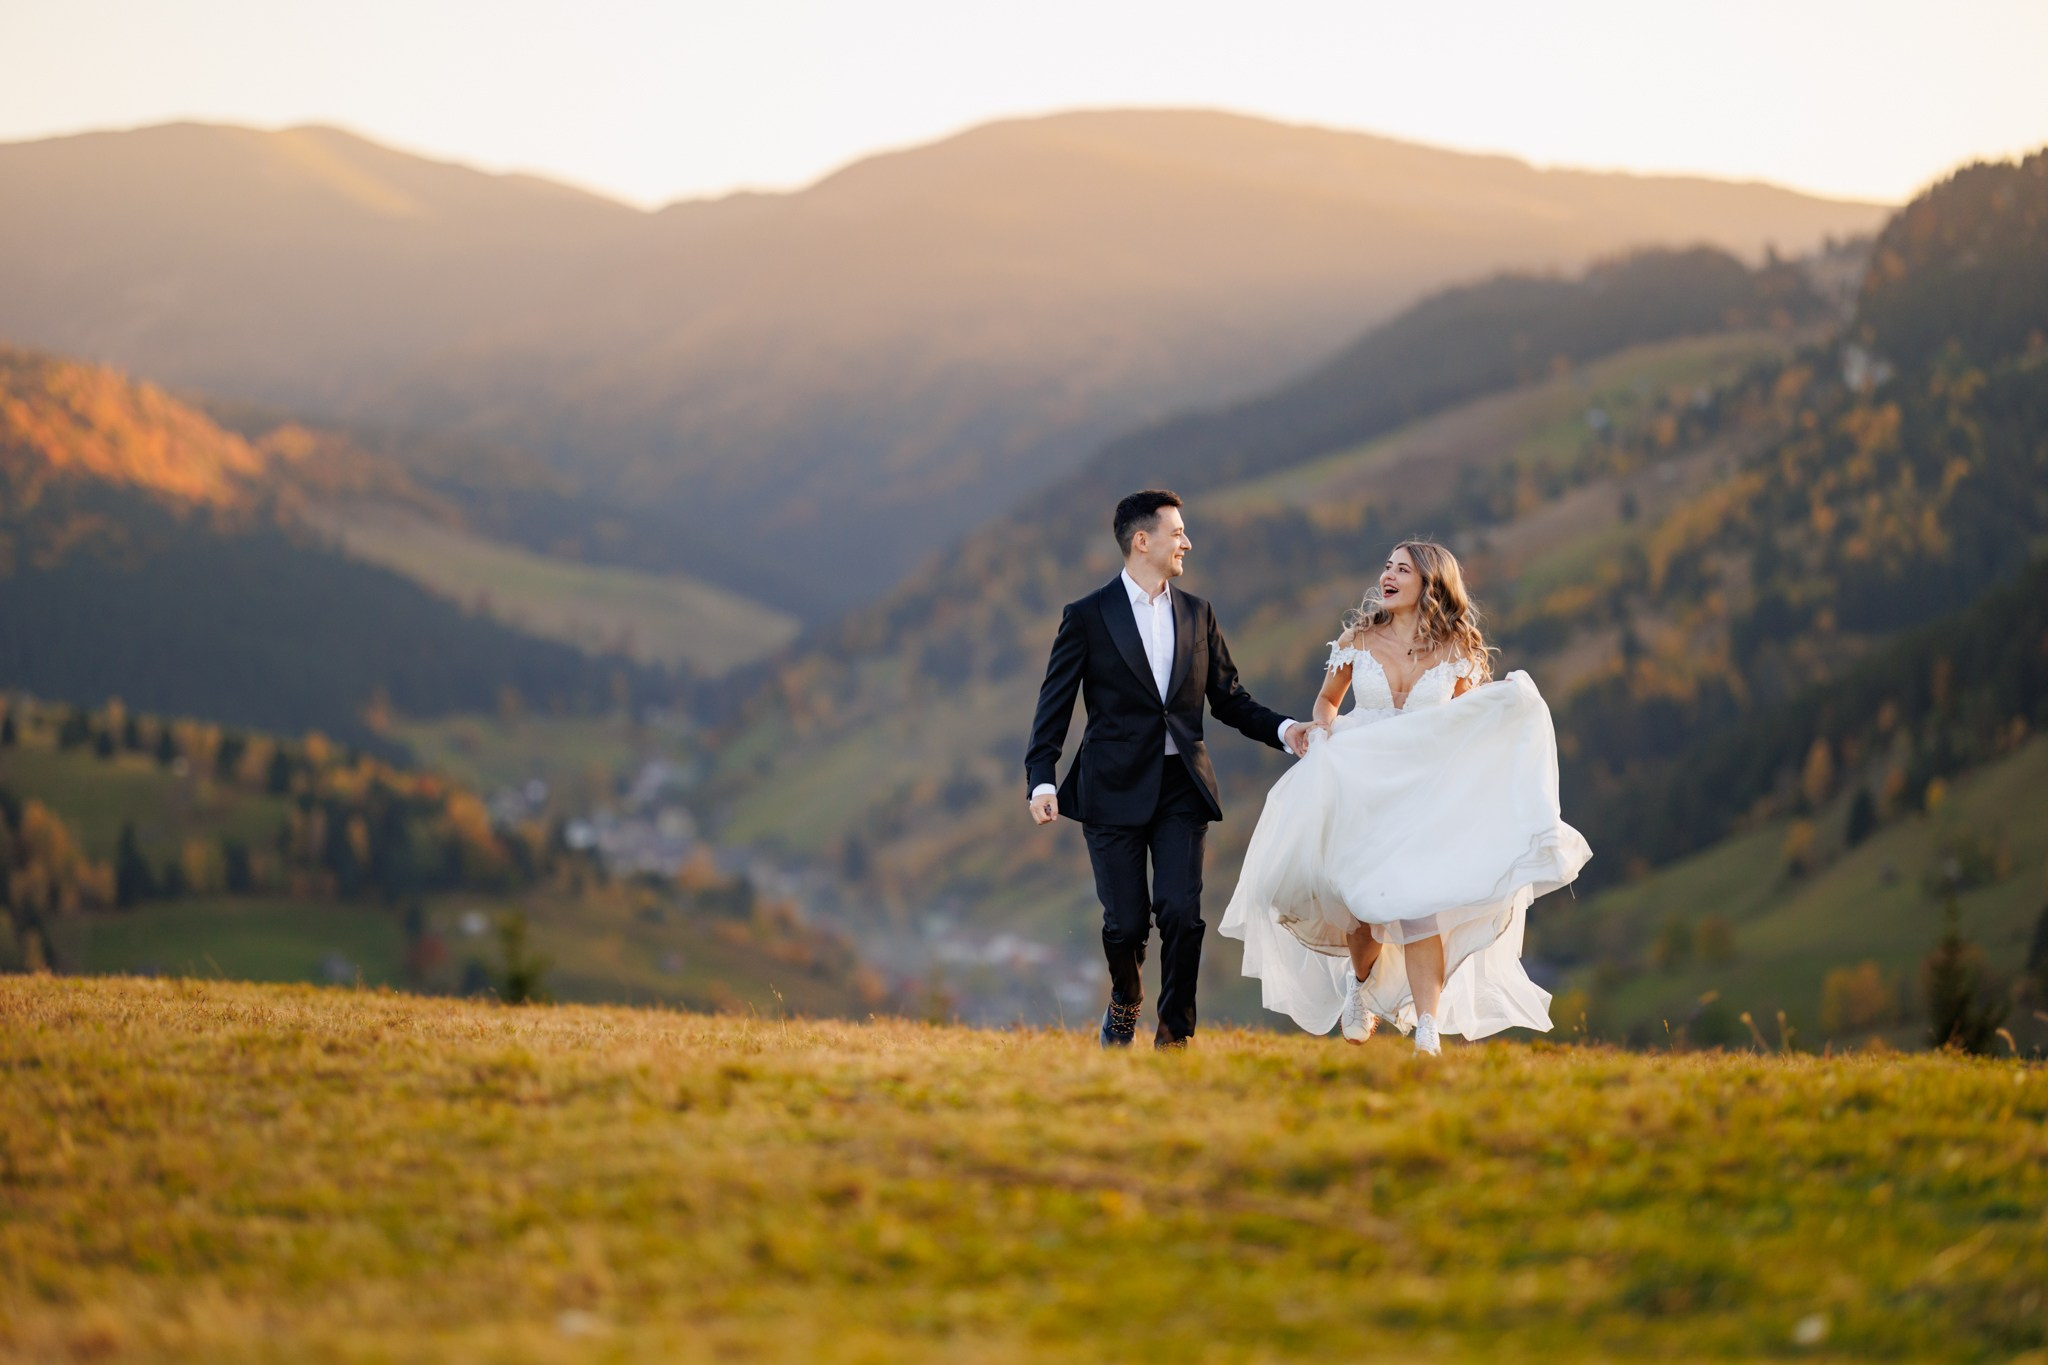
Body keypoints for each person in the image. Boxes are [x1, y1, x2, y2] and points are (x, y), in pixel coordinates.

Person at [1218, 540, 1591, 1053]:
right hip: (1361, 786)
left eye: (1402, 570)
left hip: (1421, 794)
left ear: (1429, 584)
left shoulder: (1458, 649)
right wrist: (1320, 734)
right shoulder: (1359, 638)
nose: (1388, 576)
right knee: (1359, 907)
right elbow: (1328, 701)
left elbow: (1470, 721)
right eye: (1387, 567)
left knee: (1418, 910)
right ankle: (1361, 983)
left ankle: (1428, 1031)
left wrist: (1510, 710)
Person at [1025, 490, 1312, 1049]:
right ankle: (1126, 1001)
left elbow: (1228, 698)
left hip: (1182, 785)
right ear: (1142, 541)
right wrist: (1041, 777)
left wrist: (1285, 731)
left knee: (1181, 914)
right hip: (1110, 789)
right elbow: (1053, 706)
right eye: (1177, 532)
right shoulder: (1086, 616)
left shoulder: (1197, 613)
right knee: (1128, 925)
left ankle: (1175, 1037)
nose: (1187, 542)